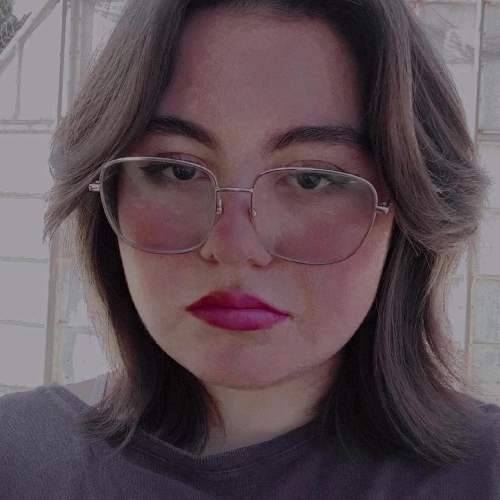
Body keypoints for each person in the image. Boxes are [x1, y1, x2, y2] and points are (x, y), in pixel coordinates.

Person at [1, 0, 499, 498]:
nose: (235, 246)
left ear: (408, 209)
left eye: (312, 178)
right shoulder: (15, 460)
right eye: (178, 169)